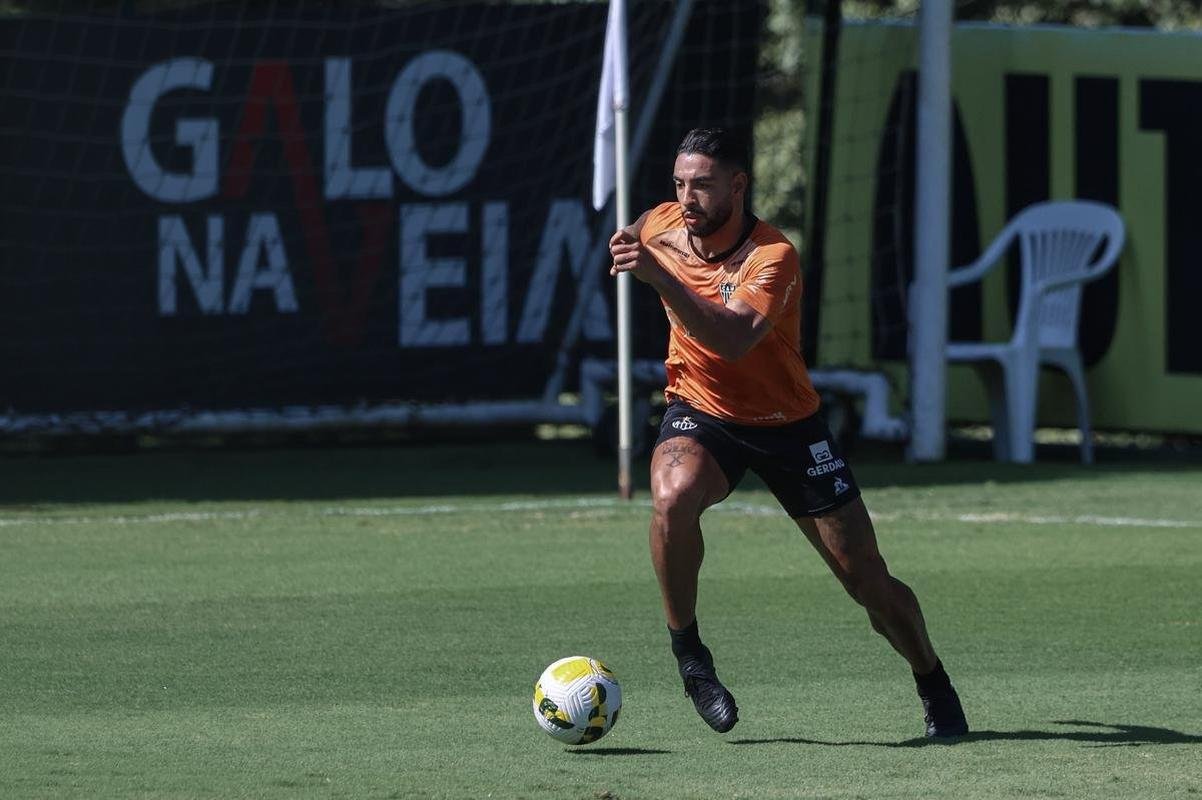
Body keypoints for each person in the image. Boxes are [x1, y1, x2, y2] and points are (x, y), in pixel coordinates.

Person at [607, 127, 968, 738]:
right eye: (679, 184)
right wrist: (635, 245)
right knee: (671, 497)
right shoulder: (662, 225)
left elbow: (732, 339)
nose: (686, 198)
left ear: (738, 185)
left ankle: (931, 677)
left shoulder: (773, 256)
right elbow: (640, 231)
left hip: (788, 426)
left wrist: (661, 278)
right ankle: (689, 654)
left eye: (702, 185)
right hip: (701, 410)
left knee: (870, 586)